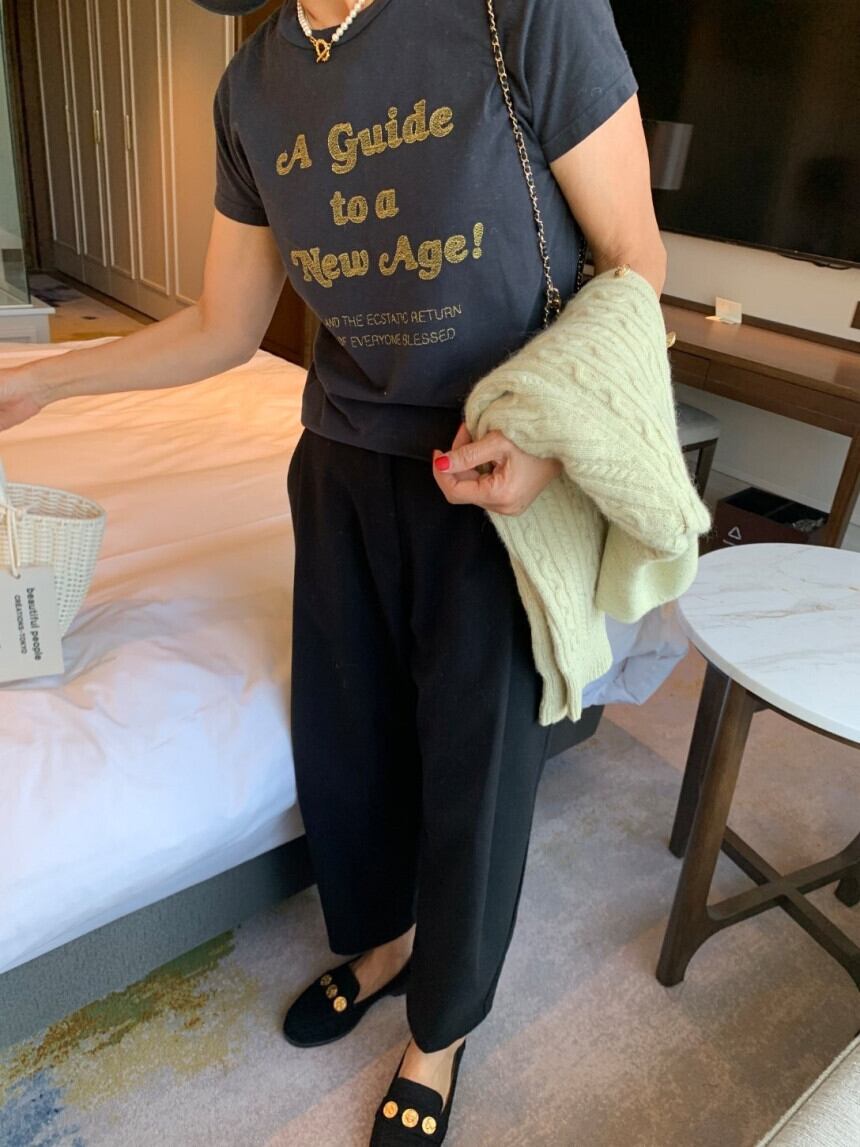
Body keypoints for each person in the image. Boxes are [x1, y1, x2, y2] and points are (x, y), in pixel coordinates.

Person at [0, 1, 666, 1140]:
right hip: (341, 461)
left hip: (493, 465)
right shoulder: (253, 87)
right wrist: (42, 381)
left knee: (475, 767)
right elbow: (223, 325)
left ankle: (440, 1031)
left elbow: (635, 263)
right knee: (347, 738)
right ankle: (383, 941)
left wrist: (553, 445)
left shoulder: (521, 13)